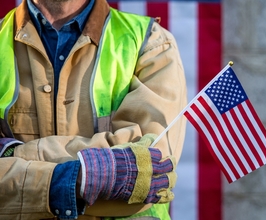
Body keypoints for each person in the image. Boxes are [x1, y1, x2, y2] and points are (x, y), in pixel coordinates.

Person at [0, 0, 187, 219]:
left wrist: (14, 155)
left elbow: (150, 168)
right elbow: (129, 170)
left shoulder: (151, 42)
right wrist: (81, 176)